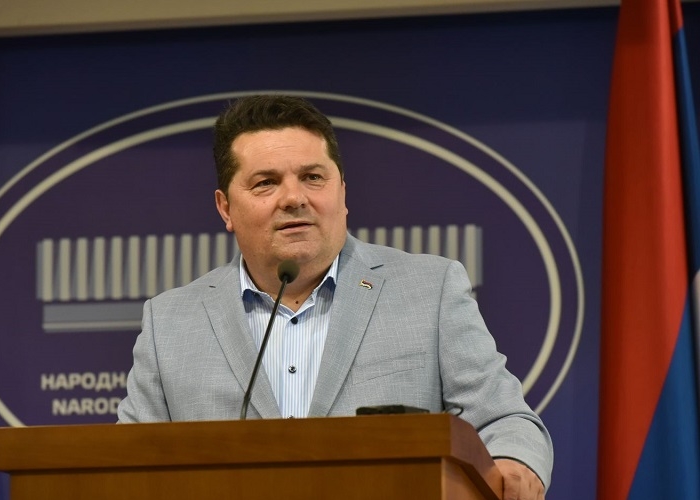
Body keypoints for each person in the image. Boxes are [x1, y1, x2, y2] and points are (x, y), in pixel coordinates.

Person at [117, 94, 554, 499]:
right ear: (225, 208)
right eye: (266, 182)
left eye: (312, 177)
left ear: (342, 192)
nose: (294, 198)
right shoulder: (170, 322)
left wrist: (513, 463)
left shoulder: (430, 289)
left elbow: (505, 420)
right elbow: (124, 463)